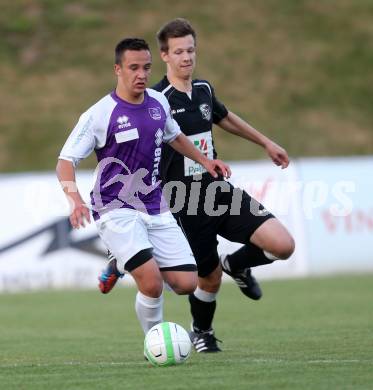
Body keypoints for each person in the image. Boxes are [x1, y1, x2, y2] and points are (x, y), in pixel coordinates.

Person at [100, 19, 295, 352]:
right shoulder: (156, 99)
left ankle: (238, 263)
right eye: (178, 51)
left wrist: (266, 142)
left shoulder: (203, 90)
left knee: (282, 244)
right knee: (204, 278)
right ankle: (201, 332)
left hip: (218, 190)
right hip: (182, 201)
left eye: (190, 50)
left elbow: (225, 117)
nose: (186, 57)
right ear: (164, 55)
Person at [56, 37, 231, 340]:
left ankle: (122, 259)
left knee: (187, 283)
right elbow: (65, 160)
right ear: (118, 70)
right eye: (133, 68)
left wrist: (205, 160)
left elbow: (174, 136)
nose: (141, 74)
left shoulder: (158, 102)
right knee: (150, 282)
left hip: (154, 203)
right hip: (114, 207)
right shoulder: (99, 114)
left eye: (146, 68)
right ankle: (156, 342)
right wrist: (75, 200)